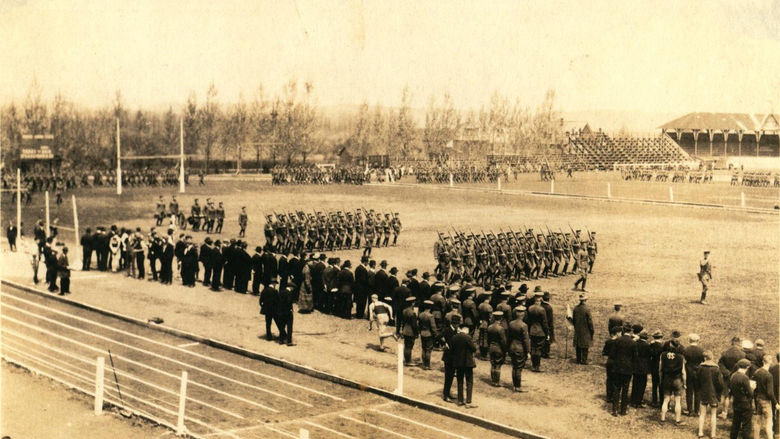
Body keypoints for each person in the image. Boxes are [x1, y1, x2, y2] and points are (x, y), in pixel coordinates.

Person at [610, 324, 636, 416]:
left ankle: (615, 410)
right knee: (625, 389)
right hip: (628, 369)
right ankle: (623, 410)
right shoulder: (633, 343)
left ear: (623, 330)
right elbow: (635, 357)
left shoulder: (617, 341)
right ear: (630, 331)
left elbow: (612, 355)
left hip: (617, 368)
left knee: (616, 389)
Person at [697, 350, 724, 439]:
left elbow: (697, 380)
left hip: (703, 393)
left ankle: (700, 432)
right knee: (713, 414)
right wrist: (718, 393)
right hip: (713, 394)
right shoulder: (716, 369)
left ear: (704, 358)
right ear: (712, 357)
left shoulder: (700, 367)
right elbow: (720, 384)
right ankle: (713, 434)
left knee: (702, 413)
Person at [660, 334, 686, 425]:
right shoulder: (680, 357)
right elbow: (683, 372)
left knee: (666, 399)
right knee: (677, 400)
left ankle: (662, 419)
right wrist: (685, 383)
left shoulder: (663, 355)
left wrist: (661, 380)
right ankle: (677, 420)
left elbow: (660, 369)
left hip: (667, 378)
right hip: (677, 379)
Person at [450, 324, 477, 408]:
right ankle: (468, 401)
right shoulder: (467, 337)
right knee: (469, 382)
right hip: (467, 363)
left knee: (460, 381)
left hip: (458, 363)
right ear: (465, 329)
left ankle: (460, 400)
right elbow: (474, 348)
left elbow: (452, 349)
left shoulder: (454, 337)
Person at [753, 354, 777, 439]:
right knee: (769, 422)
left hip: (758, 399)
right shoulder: (769, 375)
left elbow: (754, 387)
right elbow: (770, 392)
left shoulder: (757, 372)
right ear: (770, 362)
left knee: (757, 421)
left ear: (763, 361)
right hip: (766, 401)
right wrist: (776, 403)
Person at [508, 306, 530, 392]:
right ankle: (518, 386)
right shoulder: (524, 325)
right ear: (522, 314)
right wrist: (528, 351)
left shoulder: (511, 323)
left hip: (512, 347)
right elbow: (525, 339)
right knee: (519, 368)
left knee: (514, 367)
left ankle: (515, 385)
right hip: (520, 349)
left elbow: (509, 337)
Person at [729, 359, 753, 439]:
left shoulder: (733, 375)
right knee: (746, 425)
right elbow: (750, 393)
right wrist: (752, 388)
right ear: (747, 367)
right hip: (745, 403)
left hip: (736, 402)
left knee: (735, 424)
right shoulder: (744, 377)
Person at [526, 292, 549, 372]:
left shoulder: (530, 308)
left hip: (532, 330)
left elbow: (528, 321)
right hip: (540, 332)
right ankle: (537, 366)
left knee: (533, 348)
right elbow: (544, 323)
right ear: (539, 300)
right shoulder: (542, 310)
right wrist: (547, 333)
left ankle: (533, 365)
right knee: (538, 349)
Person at [683, 333, 705, 416]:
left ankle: (690, 410)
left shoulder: (686, 350)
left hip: (688, 370)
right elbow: (703, 361)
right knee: (698, 391)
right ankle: (697, 410)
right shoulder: (701, 350)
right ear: (698, 341)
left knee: (689, 391)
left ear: (689, 340)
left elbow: (684, 360)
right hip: (698, 371)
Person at [441, 314, 460, 402]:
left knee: (451, 376)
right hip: (448, 357)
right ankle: (445, 395)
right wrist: (444, 343)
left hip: (454, 357)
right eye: (457, 324)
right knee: (448, 376)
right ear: (454, 323)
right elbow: (438, 337)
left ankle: (448, 393)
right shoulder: (447, 330)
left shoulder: (456, 330)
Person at [571, 293, 594, 365]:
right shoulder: (587, 309)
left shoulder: (575, 308)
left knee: (578, 344)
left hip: (578, 329)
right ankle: (584, 360)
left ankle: (578, 359)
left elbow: (573, 320)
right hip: (585, 329)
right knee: (585, 345)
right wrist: (592, 330)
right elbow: (590, 321)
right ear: (586, 300)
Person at [486, 311, 507, 387]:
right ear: (501, 318)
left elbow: (488, 339)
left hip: (491, 347)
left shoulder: (490, 327)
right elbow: (503, 341)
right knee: (498, 365)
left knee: (493, 364)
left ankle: (492, 381)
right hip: (499, 348)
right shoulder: (501, 329)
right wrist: (505, 349)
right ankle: (496, 382)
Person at [631, 330, 650, 408]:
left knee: (635, 383)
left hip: (635, 366)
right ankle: (638, 401)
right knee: (642, 384)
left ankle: (633, 399)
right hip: (644, 367)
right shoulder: (647, 346)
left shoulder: (635, 344)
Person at [418, 300, 436, 370]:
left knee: (423, 348)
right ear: (430, 307)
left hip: (422, 333)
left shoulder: (421, 314)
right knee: (428, 350)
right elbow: (433, 327)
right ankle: (427, 365)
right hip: (429, 334)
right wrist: (435, 335)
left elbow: (419, 325)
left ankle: (423, 363)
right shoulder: (431, 316)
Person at [400, 296, 418, 365]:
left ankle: (407, 360)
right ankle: (408, 361)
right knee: (409, 346)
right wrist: (416, 333)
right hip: (411, 331)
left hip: (405, 329)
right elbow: (414, 325)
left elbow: (403, 321)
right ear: (412, 303)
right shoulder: (412, 313)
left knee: (406, 346)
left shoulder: (404, 311)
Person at [541, 291, 554, 358]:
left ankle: (542, 351)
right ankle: (546, 353)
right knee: (547, 339)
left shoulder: (540, 305)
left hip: (541, 325)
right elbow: (550, 319)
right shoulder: (549, 307)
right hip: (547, 325)